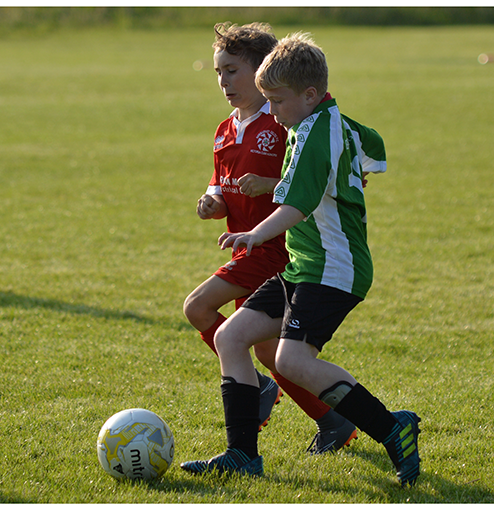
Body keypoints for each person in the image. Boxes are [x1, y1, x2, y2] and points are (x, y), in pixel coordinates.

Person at [180, 32, 421, 487]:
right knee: (231, 337)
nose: (271, 111)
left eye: (278, 101)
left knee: (291, 361)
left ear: (310, 95)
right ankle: (242, 455)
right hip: (302, 263)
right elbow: (374, 147)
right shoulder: (333, 120)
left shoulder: (312, 134)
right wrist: (357, 172)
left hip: (333, 268)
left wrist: (253, 233)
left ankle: (392, 428)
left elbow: (296, 205)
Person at [183, 22, 357, 456]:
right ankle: (331, 418)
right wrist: (212, 201)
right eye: (219, 72)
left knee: (199, 307)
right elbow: (220, 185)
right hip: (246, 244)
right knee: (264, 351)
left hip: (274, 250)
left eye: (233, 71)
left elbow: (306, 181)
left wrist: (270, 181)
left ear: (264, 73)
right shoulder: (226, 128)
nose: (224, 81)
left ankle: (258, 394)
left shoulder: (283, 122)